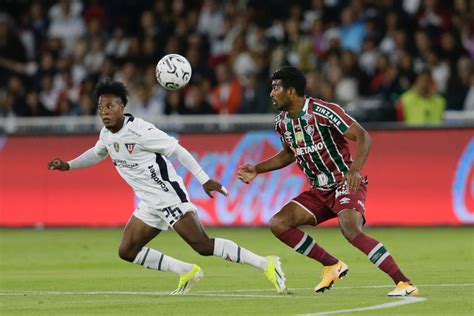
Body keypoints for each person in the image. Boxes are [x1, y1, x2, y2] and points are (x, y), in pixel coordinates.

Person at [47, 79, 286, 295]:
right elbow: (97, 153)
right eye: (101, 107)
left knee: (202, 245)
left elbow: (177, 149)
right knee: (127, 251)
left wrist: (204, 178)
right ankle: (186, 271)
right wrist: (68, 165)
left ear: (122, 107)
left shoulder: (141, 131)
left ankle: (266, 264)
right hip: (149, 202)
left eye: (110, 107)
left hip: (168, 195)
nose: (104, 112)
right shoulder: (107, 135)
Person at [237, 66, 419, 297]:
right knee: (278, 223)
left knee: (350, 229)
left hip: (345, 182)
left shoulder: (323, 111)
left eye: (275, 88)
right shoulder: (282, 123)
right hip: (319, 191)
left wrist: (355, 171)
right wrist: (257, 168)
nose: (271, 93)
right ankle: (332, 265)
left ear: (291, 91)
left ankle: (404, 282)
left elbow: (362, 136)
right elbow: (289, 153)